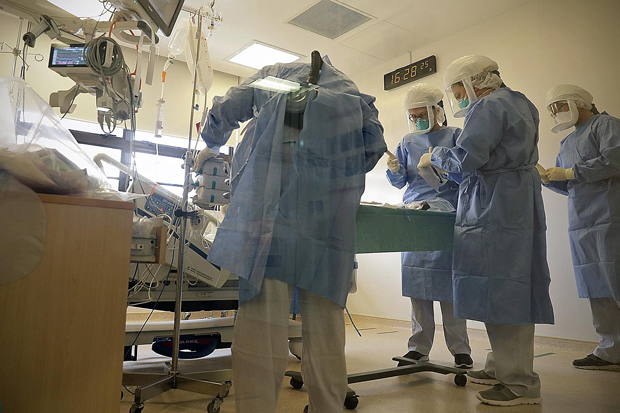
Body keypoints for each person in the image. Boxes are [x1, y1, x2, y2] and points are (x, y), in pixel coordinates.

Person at [196, 55, 386, 413]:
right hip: (326, 224)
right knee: (326, 322)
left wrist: (212, 142)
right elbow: (373, 146)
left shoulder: (275, 78)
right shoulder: (351, 93)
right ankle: (327, 406)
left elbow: (228, 107)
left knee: (262, 322)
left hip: (273, 219)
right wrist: (329, 174)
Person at [418, 55, 554, 406]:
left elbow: (466, 159)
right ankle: (500, 367)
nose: (457, 96)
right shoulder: (519, 101)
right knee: (509, 285)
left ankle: (519, 383)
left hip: (496, 203)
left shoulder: (486, 107)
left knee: (503, 289)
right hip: (513, 199)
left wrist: (435, 155)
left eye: (457, 89)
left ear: (472, 82)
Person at [386, 83, 473, 369]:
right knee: (417, 285)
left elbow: (466, 176)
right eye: (412, 115)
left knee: (449, 285)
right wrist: (394, 169)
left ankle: (460, 349)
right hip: (415, 215)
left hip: (446, 215)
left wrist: (444, 173)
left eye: (420, 113)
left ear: (437, 110)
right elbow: (400, 182)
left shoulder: (455, 136)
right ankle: (418, 347)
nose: (416, 120)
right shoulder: (407, 141)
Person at [541, 84, 620, 371]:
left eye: (558, 106)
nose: (556, 113)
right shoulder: (567, 143)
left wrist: (572, 172)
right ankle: (610, 350)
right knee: (597, 286)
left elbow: (615, 160)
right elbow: (571, 184)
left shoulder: (607, 125)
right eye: (552, 110)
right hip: (581, 223)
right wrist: (550, 179)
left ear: (579, 102)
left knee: (616, 279)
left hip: (611, 216)